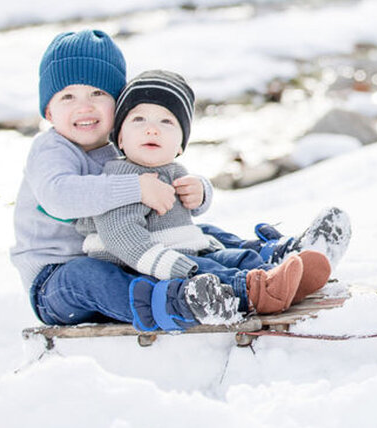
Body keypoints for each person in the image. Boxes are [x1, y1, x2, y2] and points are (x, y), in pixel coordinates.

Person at [10, 28, 350, 332]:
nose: (83, 107)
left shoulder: (124, 143)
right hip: (58, 280)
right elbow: (59, 195)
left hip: (124, 254)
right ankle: (186, 301)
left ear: (119, 104)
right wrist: (136, 187)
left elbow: (168, 192)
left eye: (97, 94)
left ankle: (276, 263)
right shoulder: (51, 150)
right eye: (68, 97)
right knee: (87, 277)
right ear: (49, 112)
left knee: (197, 233)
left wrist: (197, 192)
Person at [76, 69, 348, 325]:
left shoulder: (171, 171)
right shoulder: (120, 179)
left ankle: (282, 275)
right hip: (144, 266)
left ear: (181, 145)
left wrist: (201, 191)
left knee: (236, 259)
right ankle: (260, 292)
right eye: (138, 119)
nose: (152, 129)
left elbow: (189, 210)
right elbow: (120, 235)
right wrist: (171, 265)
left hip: (186, 249)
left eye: (166, 121)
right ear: (119, 139)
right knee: (213, 272)